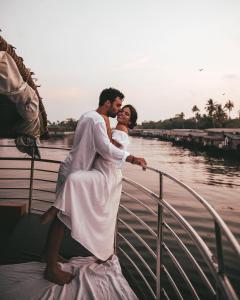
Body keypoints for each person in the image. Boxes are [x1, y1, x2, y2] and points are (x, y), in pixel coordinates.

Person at [42, 88, 147, 285]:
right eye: (118, 106)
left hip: (73, 167)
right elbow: (105, 148)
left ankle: (49, 256)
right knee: (62, 218)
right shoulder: (99, 120)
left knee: (63, 217)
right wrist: (131, 158)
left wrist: (111, 136)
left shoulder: (88, 115)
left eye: (123, 110)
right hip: (77, 171)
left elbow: (106, 144)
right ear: (107, 103)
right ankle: (50, 266)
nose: (119, 110)